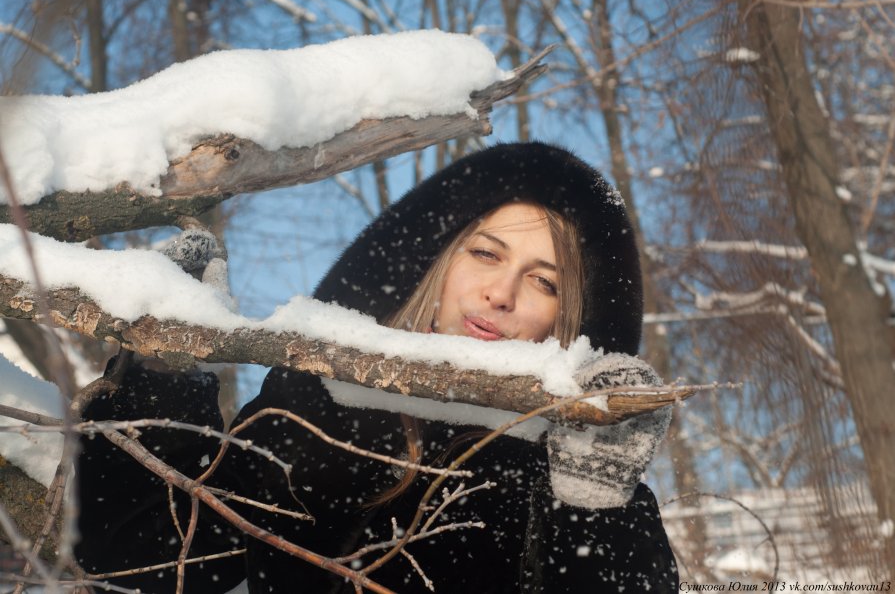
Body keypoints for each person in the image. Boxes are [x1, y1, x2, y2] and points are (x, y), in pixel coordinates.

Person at [76, 142, 679, 592]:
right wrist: (163, 377)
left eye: (544, 281)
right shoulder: (316, 400)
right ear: (437, 261)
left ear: (567, 317)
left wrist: (594, 502)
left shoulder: (568, 462)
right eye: (485, 253)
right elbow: (147, 562)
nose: (502, 292)